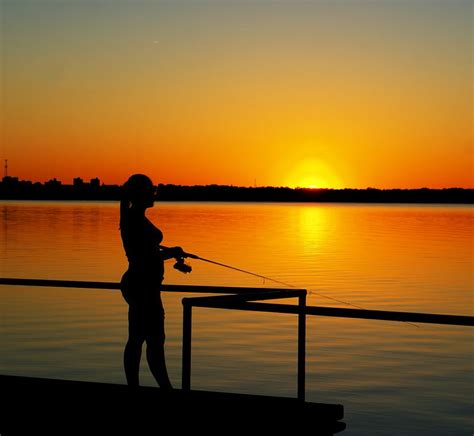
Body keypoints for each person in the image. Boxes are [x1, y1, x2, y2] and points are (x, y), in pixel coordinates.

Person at [119, 174, 187, 389]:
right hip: (141, 285)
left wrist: (170, 251)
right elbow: (143, 255)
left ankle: (142, 387)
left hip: (143, 284)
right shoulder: (133, 218)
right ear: (141, 194)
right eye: (151, 190)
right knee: (152, 339)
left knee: (141, 337)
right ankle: (164, 388)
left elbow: (147, 250)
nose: (154, 193)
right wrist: (170, 253)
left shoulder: (136, 216)